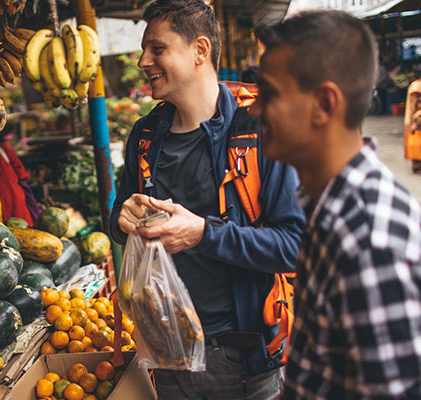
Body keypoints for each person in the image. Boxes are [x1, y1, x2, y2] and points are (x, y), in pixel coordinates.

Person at [109, 1, 305, 398]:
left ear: (200, 50)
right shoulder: (145, 136)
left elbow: (298, 246)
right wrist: (123, 217)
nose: (143, 61)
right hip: (166, 352)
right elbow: (115, 220)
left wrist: (203, 234)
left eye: (157, 49)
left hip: (242, 359)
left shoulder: (261, 129)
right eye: (144, 50)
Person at [250, 10, 421, 398]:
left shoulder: (367, 242)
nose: (256, 109)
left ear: (324, 104)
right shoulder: (328, 210)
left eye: (270, 94)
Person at [404, 65, 421, 173]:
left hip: (415, 116)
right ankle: (417, 165)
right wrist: (415, 119)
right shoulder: (417, 86)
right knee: (416, 141)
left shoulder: (416, 85)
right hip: (416, 117)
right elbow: (414, 104)